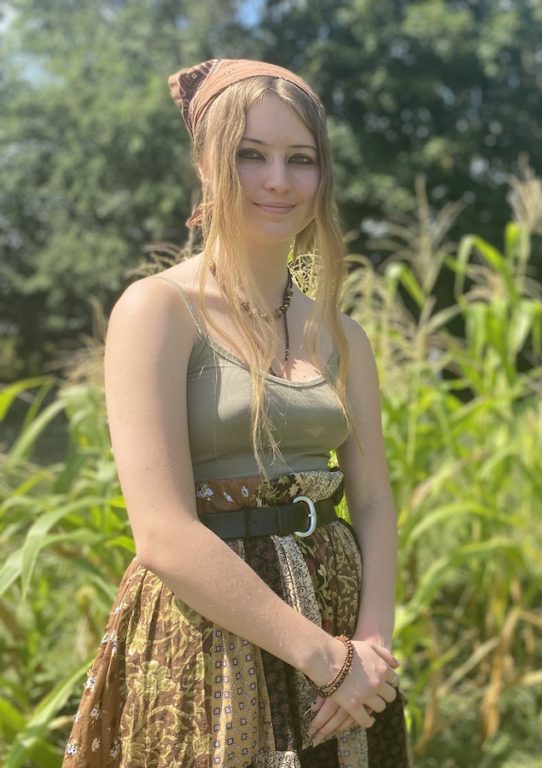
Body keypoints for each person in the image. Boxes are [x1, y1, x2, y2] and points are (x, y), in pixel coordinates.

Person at [63, 59, 410, 767]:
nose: (278, 179)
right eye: (250, 154)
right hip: (214, 636)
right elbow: (162, 532)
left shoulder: (343, 337)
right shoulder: (158, 311)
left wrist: (371, 648)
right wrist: (323, 658)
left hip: (345, 638)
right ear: (204, 165)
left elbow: (371, 499)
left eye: (300, 159)